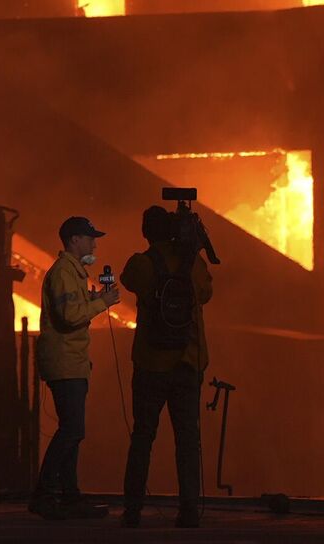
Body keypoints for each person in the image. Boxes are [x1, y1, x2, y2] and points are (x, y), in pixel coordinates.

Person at [119, 205, 214, 528]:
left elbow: (126, 280)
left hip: (150, 364)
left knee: (143, 435)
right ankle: (188, 510)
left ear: (146, 232)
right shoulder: (193, 265)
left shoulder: (142, 264)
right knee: (187, 439)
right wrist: (189, 250)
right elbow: (207, 293)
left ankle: (132, 510)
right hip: (187, 364)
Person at [28, 216, 120, 520]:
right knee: (72, 430)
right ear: (74, 240)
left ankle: (69, 497)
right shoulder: (65, 274)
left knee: (72, 431)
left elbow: (72, 312)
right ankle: (45, 494)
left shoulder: (73, 274)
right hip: (66, 363)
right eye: (90, 237)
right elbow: (69, 316)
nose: (94, 243)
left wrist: (91, 300)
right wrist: (101, 303)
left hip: (72, 362)